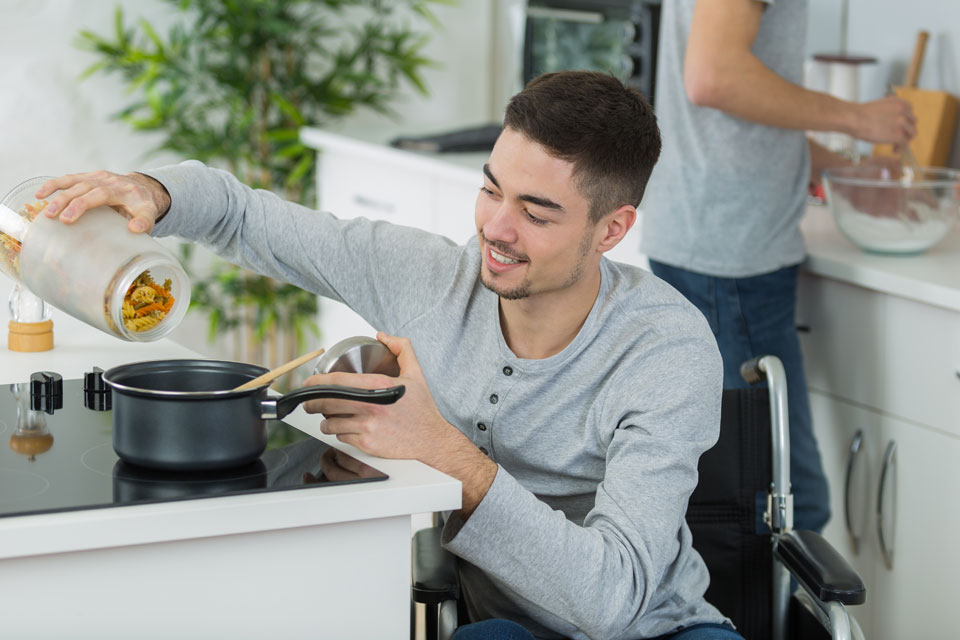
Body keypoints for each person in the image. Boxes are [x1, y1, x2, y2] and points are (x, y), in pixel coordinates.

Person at [38, 71, 744, 639]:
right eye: (491, 189)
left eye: (537, 211)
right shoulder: (431, 279)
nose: (495, 229)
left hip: (658, 630)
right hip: (505, 627)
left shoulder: (666, 348)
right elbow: (243, 214)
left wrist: (448, 455)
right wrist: (153, 192)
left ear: (612, 229)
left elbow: (614, 600)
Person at [641, 0, 917, 534]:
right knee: (786, 505)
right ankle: (749, 623)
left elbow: (734, 119)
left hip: (713, 240)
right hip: (732, 256)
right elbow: (715, 77)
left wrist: (847, 170)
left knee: (731, 491)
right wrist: (859, 118)